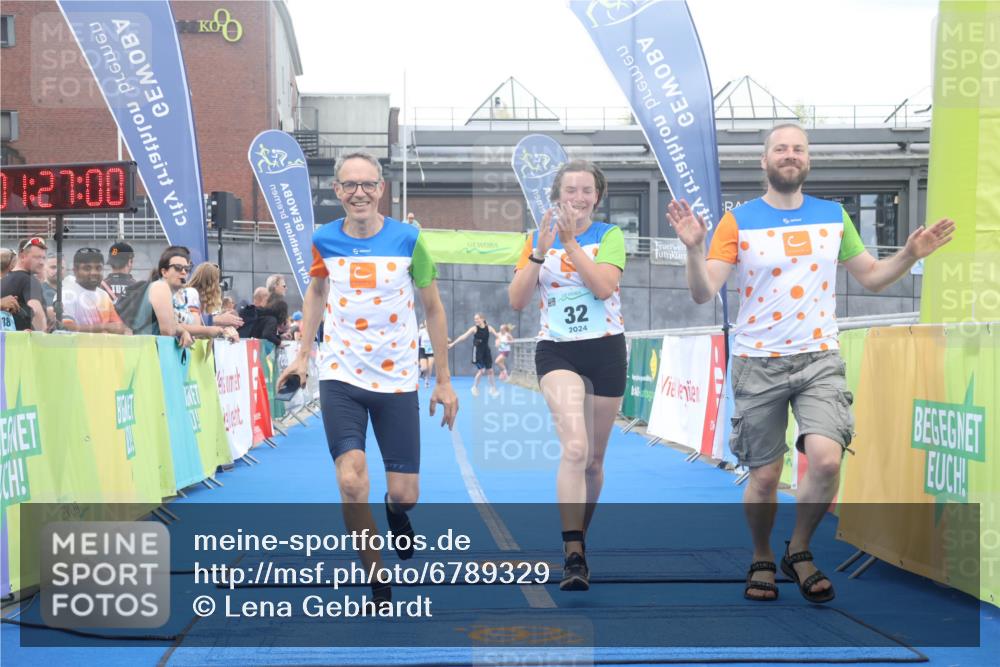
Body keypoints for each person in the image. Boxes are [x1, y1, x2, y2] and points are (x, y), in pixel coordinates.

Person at [668, 123, 955, 603]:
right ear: (764, 161)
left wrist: (908, 253)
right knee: (763, 476)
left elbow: (873, 278)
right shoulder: (737, 222)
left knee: (824, 459)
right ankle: (761, 554)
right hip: (758, 361)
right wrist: (695, 248)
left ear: (807, 160)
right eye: (780, 148)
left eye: (798, 149)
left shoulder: (834, 216)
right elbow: (703, 292)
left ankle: (798, 549)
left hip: (819, 357)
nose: (790, 155)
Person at [277, 151, 458, 604]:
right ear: (337, 191)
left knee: (406, 493)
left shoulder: (409, 239)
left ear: (382, 189)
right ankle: (376, 573)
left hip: (397, 380)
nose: (359, 193)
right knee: (351, 479)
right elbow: (317, 291)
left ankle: (396, 514)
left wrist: (444, 379)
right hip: (341, 376)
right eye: (349, 185)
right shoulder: (323, 239)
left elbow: (433, 307)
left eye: (368, 184)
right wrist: (303, 355)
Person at [508, 160, 627, 591]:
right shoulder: (533, 238)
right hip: (557, 350)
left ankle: (579, 537)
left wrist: (571, 244)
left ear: (597, 197)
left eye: (586, 191)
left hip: (606, 349)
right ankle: (572, 551)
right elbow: (518, 300)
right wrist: (540, 251)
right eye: (570, 190)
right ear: (556, 196)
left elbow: (603, 288)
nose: (577, 197)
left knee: (594, 462)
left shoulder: (609, 236)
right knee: (575, 448)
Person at [130, 246, 195, 347]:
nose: (183, 272)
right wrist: (210, 331)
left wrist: (183, 331)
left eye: (187, 269)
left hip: (148, 352)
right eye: (178, 267)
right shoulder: (161, 287)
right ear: (164, 272)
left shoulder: (163, 288)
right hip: (146, 354)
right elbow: (168, 330)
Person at [60, 247, 129, 334]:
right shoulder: (67, 294)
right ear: (75, 271)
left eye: (98, 268)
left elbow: (117, 326)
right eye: (87, 268)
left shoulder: (104, 295)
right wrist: (104, 327)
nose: (94, 272)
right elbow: (66, 328)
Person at [179, 262, 242, 340]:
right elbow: (192, 323)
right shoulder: (189, 293)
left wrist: (225, 330)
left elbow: (207, 329)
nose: (219, 286)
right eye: (217, 281)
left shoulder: (207, 301)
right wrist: (218, 320)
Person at [1, 237, 48, 331]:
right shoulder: (29, 280)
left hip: (5, 342)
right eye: (37, 257)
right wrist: (43, 334)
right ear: (22, 256)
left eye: (43, 258)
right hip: (24, 343)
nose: (42, 262)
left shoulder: (3, 279)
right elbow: (36, 309)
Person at [448, 314, 500, 398]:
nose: (476, 321)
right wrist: (453, 344)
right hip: (477, 352)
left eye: (477, 319)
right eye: (475, 319)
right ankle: (474, 387)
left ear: (482, 319)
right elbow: (463, 337)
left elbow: (498, 336)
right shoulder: (474, 329)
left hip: (486, 351)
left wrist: (499, 340)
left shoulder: (489, 328)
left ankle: (493, 389)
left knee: (490, 371)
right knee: (482, 371)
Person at [417, 320, 435, 388]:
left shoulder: (434, 330)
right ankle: (419, 372)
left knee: (430, 366)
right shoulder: (422, 331)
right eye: (426, 322)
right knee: (424, 368)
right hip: (423, 349)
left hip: (431, 350)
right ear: (425, 324)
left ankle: (427, 381)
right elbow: (416, 338)